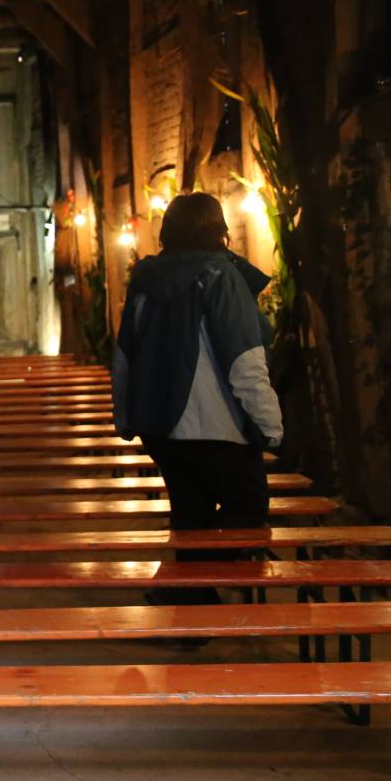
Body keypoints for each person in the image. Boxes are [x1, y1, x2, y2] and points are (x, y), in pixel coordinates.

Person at [113, 192, 284, 606]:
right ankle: (182, 583)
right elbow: (245, 361)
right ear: (218, 230)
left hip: (161, 428)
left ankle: (192, 609)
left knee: (191, 519)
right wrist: (270, 424)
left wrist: (125, 415)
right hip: (216, 427)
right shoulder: (220, 276)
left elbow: (123, 357)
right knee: (249, 509)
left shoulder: (145, 281)